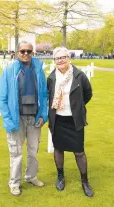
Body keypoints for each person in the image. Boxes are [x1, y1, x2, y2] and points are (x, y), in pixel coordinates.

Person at [0, 41, 47, 196]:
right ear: (17, 52)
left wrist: (43, 115)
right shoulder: (9, 72)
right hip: (16, 118)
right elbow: (2, 98)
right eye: (23, 51)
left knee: (33, 151)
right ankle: (14, 182)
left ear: (33, 53)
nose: (26, 54)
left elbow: (44, 95)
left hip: (34, 117)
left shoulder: (38, 70)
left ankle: (31, 176)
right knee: (16, 152)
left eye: (29, 51)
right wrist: (8, 119)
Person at [47, 47, 94, 197]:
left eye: (63, 57)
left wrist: (77, 107)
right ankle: (60, 177)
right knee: (59, 149)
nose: (60, 60)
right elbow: (48, 96)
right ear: (54, 61)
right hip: (58, 119)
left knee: (79, 151)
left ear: (69, 58)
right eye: (57, 58)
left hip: (74, 120)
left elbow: (88, 93)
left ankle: (85, 181)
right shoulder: (51, 77)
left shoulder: (79, 75)